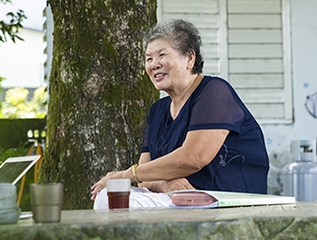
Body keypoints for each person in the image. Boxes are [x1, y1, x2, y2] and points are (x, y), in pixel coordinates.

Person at [90, 19, 270, 208]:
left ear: (189, 58)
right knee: (108, 196)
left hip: (224, 200)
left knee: (114, 200)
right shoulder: (157, 110)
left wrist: (124, 175)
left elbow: (193, 158)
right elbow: (144, 177)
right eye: (148, 58)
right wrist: (165, 184)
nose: (154, 64)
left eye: (162, 55)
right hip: (177, 199)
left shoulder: (215, 92)